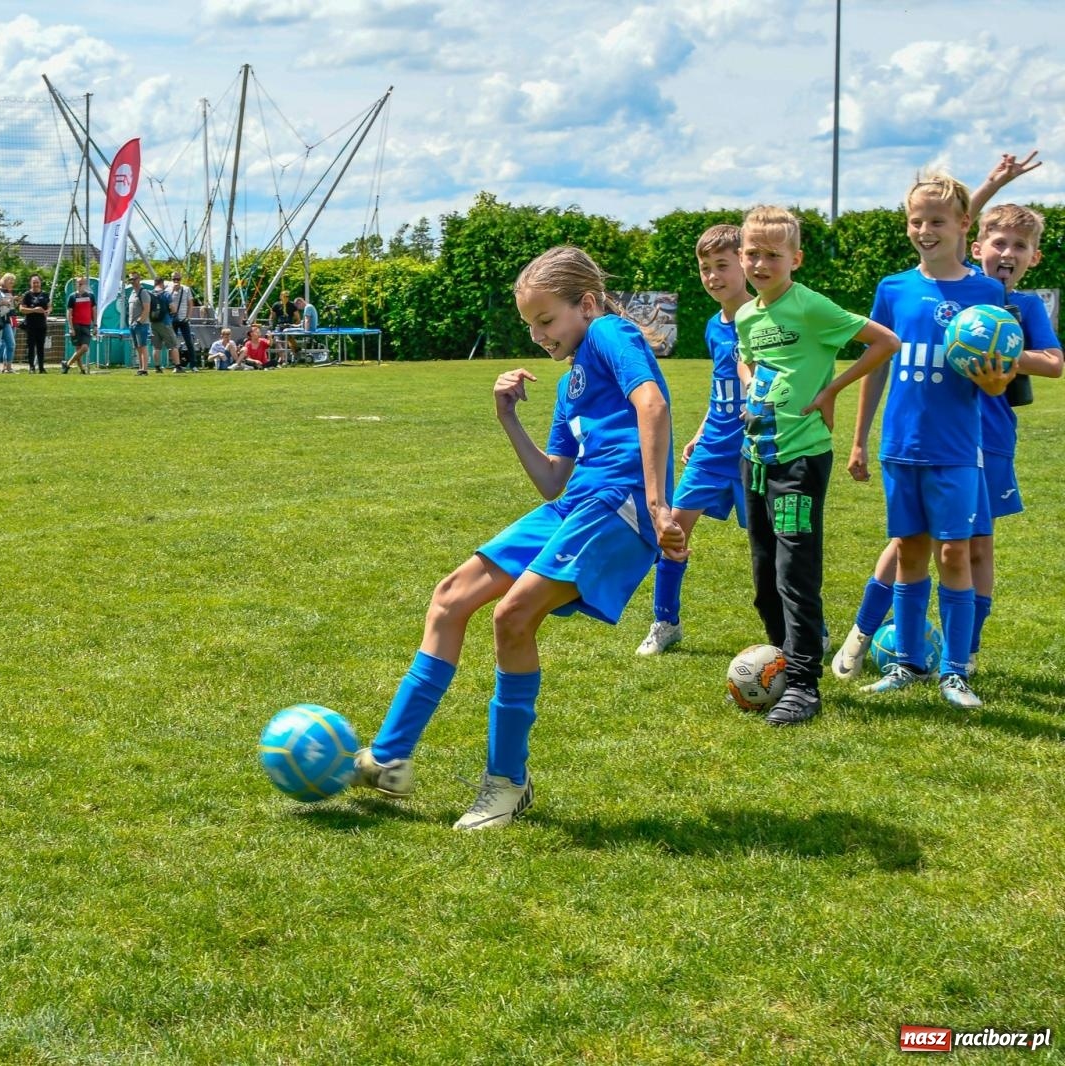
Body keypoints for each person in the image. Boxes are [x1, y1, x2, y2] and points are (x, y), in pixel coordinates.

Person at [351, 245, 685, 830]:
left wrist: (659, 507)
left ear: (585, 304)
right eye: (530, 326)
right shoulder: (569, 385)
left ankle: (507, 783)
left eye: (546, 320)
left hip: (619, 506)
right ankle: (388, 757)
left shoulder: (609, 333)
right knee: (451, 597)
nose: (538, 336)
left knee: (511, 616)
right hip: (574, 501)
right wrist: (507, 416)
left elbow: (652, 404)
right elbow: (553, 477)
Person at [833, 155, 1063, 681]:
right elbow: (948, 224)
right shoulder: (907, 286)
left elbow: (1049, 364)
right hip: (913, 438)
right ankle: (868, 634)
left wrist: (999, 369)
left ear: (1034, 257)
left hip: (982, 441)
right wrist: (989, 185)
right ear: (979, 245)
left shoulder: (1006, 302)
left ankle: (964, 656)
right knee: (908, 543)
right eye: (996, 244)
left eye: (1019, 247)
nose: (1006, 254)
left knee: (968, 548)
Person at [734, 206, 899, 725]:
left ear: (795, 259)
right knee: (764, 576)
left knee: (794, 572)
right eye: (752, 254)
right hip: (755, 458)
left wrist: (831, 389)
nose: (761, 264)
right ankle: (783, 661)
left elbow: (885, 342)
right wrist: (751, 389)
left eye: (772, 255)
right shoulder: (746, 315)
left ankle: (803, 685)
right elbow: (749, 359)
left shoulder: (810, 308)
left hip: (799, 461)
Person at [637, 224, 753, 655]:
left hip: (754, 452)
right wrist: (703, 430)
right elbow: (721, 385)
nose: (713, 276)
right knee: (672, 531)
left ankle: (799, 631)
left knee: (771, 545)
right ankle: (665, 622)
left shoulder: (765, 319)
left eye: (722, 266)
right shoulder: (713, 325)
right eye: (705, 268)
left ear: (746, 263)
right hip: (712, 449)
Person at [148, 275, 184, 372]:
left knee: (156, 347)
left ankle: (157, 367)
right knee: (173, 345)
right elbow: (173, 308)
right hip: (165, 322)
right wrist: (172, 313)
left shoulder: (150, 294)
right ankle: (178, 366)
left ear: (155, 283)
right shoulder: (166, 294)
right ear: (162, 283)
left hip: (153, 322)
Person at [63, 276, 95, 375]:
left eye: (82, 283)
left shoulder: (90, 296)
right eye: (78, 283)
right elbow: (69, 312)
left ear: (85, 284)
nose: (80, 285)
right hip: (76, 325)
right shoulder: (72, 297)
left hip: (86, 325)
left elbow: (94, 311)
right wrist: (71, 327)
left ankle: (67, 364)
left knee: (84, 348)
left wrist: (95, 325)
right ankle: (82, 370)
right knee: (78, 349)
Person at [19, 274, 50, 373]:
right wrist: (34, 310)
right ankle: (31, 367)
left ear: (40, 283)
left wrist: (48, 311)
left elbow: (49, 306)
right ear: (30, 283)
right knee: (31, 346)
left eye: (37, 282)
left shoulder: (45, 294)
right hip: (30, 325)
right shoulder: (27, 295)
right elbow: (22, 309)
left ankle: (41, 368)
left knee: (41, 346)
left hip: (42, 325)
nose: (36, 284)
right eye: (34, 282)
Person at [168, 270, 197, 370]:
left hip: (183, 319)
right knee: (173, 342)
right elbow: (166, 301)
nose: (176, 281)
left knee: (188, 341)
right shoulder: (168, 289)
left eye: (178, 279)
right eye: (174, 279)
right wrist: (172, 290)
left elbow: (190, 303)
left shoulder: (186, 289)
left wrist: (188, 317)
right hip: (172, 319)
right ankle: (176, 363)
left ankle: (193, 365)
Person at [125, 272, 152, 375]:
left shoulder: (143, 292)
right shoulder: (132, 293)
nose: (132, 281)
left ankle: (145, 369)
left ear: (139, 279)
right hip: (132, 324)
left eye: (134, 279)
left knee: (143, 346)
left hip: (142, 324)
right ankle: (140, 368)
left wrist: (139, 321)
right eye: (130, 279)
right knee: (137, 347)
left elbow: (146, 309)